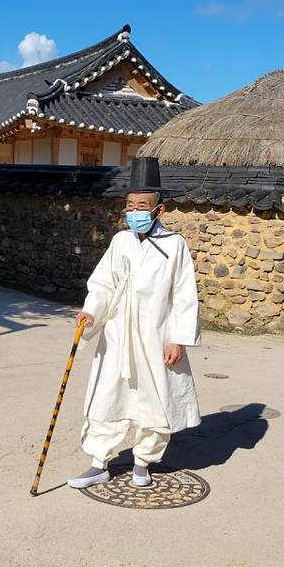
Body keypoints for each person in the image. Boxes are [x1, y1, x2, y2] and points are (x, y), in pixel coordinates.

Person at [68, 156, 201, 490]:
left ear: (159, 210)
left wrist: (178, 339)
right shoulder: (120, 242)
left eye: (142, 205)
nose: (134, 212)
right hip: (116, 335)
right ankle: (99, 462)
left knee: (153, 400)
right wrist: (91, 311)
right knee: (106, 394)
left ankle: (143, 462)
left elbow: (185, 296)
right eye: (129, 205)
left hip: (156, 336)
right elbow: (102, 283)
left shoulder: (175, 247)